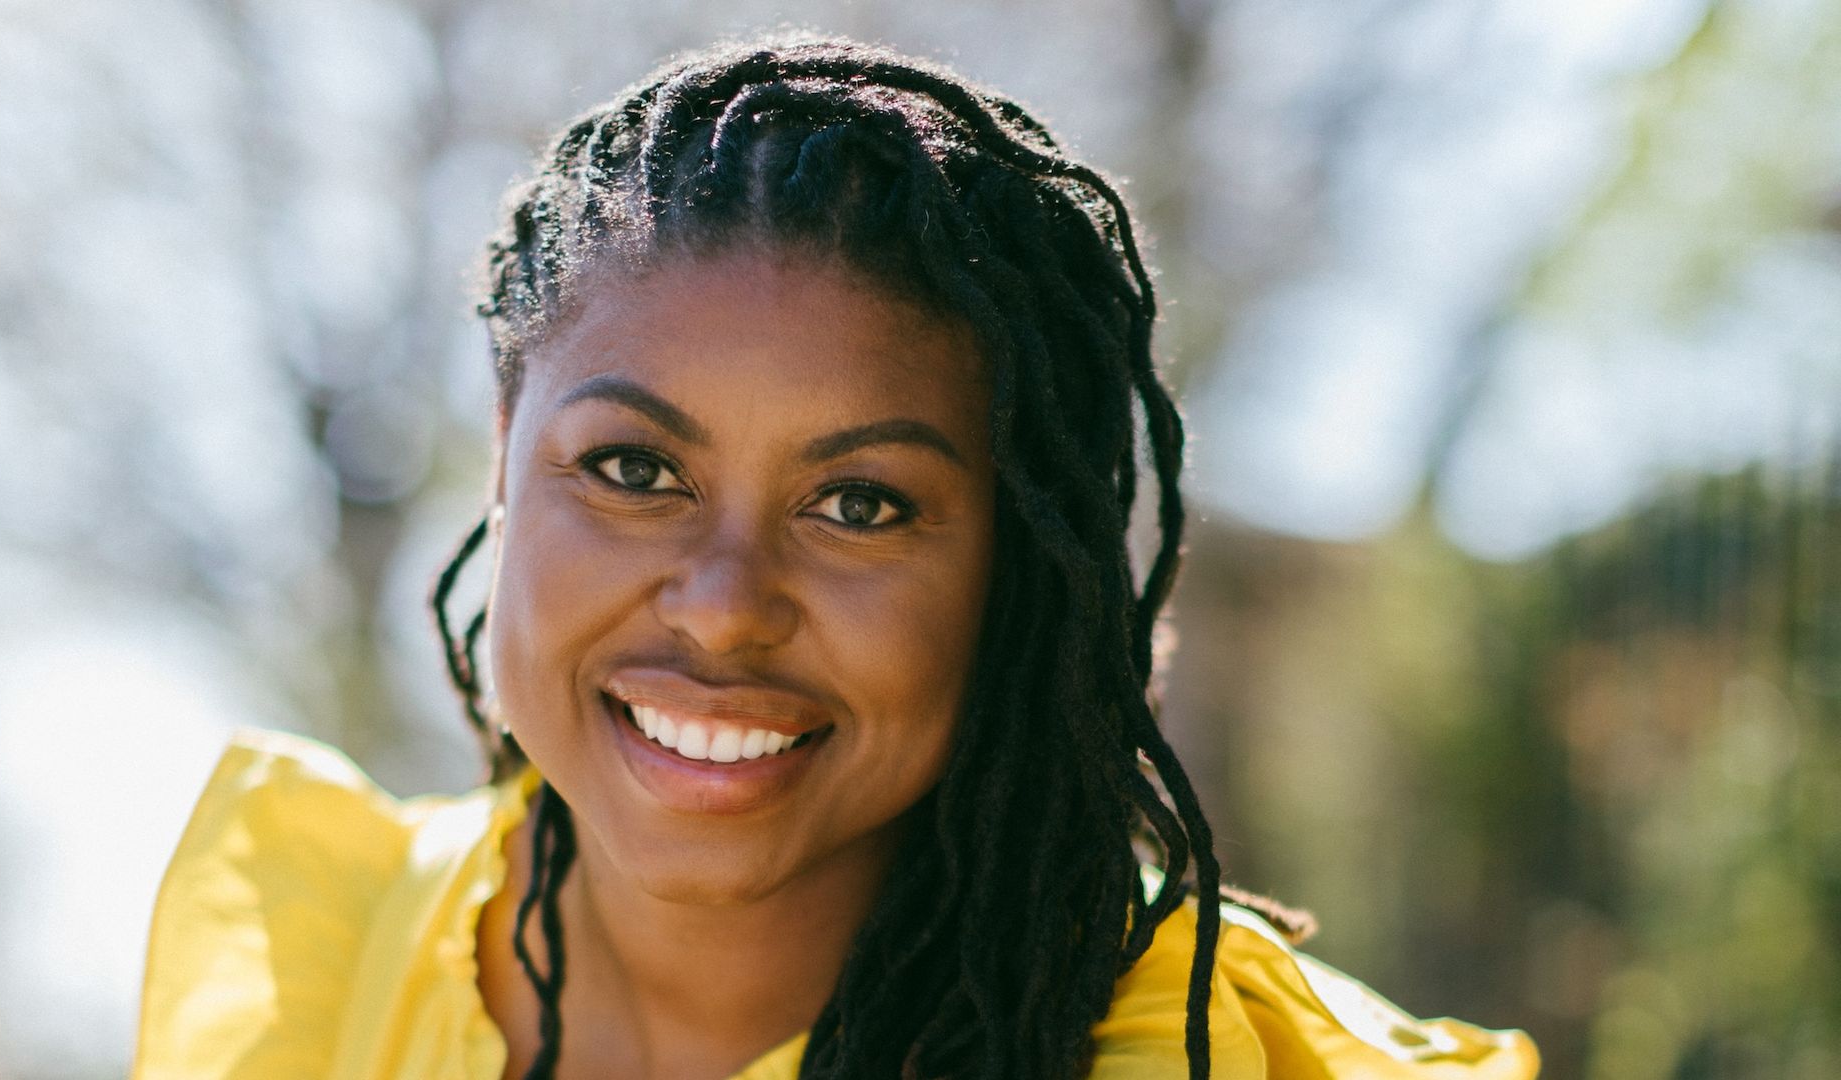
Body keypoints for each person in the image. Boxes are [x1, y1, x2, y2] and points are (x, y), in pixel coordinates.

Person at [132, 35, 1540, 1080]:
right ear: (504, 457)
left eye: (859, 504)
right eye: (635, 471)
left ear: (1012, 566)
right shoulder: (307, 973)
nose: (724, 607)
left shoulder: (1217, 1058)